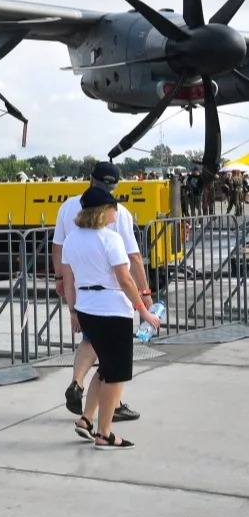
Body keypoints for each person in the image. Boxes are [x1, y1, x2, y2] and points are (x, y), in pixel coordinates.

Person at [62, 187, 162, 448]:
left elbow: (69, 278)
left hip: (87, 306)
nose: (116, 210)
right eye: (113, 206)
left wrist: (73, 309)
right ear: (102, 211)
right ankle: (104, 433)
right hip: (112, 309)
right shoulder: (111, 239)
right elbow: (125, 279)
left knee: (104, 368)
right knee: (115, 375)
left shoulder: (72, 239)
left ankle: (86, 419)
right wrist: (143, 310)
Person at [52, 162, 149, 422]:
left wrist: (62, 283)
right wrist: (145, 296)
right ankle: (107, 417)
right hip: (113, 300)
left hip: (83, 295)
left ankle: (78, 384)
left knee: (90, 342)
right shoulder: (117, 224)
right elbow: (131, 262)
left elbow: (59, 252)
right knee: (113, 364)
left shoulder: (67, 210)